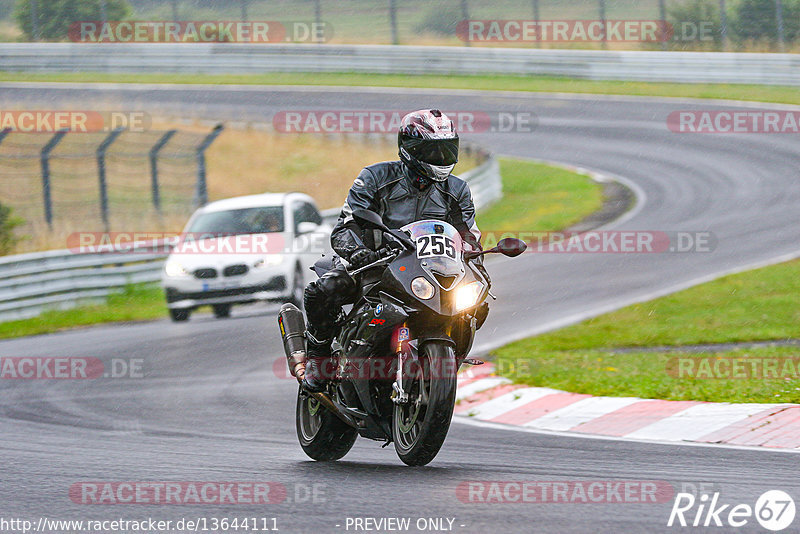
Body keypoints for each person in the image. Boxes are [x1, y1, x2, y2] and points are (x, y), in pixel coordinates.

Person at [301, 109, 489, 392]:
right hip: (375, 262)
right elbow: (346, 225)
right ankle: (318, 357)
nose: (441, 159)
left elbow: (468, 234)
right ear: (410, 148)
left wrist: (477, 258)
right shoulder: (375, 177)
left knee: (475, 302)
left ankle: (442, 363)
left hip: (429, 268)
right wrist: (358, 252)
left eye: (447, 149)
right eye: (433, 151)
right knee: (325, 289)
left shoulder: (457, 190)